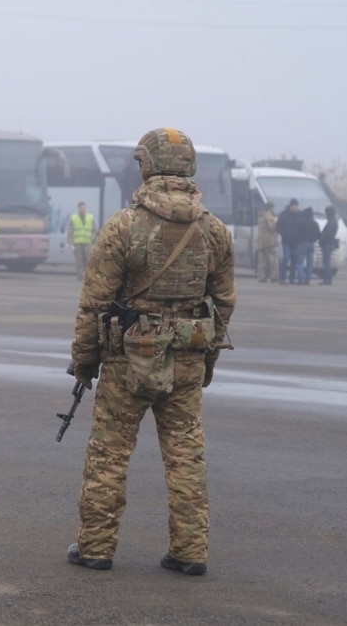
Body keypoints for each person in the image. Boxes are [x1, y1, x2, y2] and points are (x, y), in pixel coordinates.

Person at [67, 127, 236, 576]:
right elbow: (224, 304)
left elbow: (95, 303)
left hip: (128, 362)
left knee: (109, 456)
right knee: (186, 457)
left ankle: (96, 548)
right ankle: (190, 551)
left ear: (147, 166)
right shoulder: (214, 230)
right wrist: (207, 361)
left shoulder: (123, 226)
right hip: (186, 360)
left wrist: (84, 363)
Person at [275, 198, 302, 284]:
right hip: (286, 241)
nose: (295, 208)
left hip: (297, 241)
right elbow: (278, 227)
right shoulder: (283, 215)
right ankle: (282, 277)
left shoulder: (300, 215)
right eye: (294, 206)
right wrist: (284, 235)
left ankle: (292, 278)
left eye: (297, 206)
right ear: (290, 206)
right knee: (286, 258)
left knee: (294, 259)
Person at [69, 201, 96, 281]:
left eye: (84, 207)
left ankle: (87, 276)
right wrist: (71, 241)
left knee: (88, 260)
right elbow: (70, 231)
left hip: (88, 243)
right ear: (78, 208)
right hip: (77, 243)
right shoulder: (74, 218)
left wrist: (93, 240)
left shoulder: (90, 217)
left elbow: (94, 230)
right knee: (79, 260)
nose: (83, 209)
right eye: (82, 208)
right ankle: (80, 275)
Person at [295, 207, 320, 285]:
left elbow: (297, 233)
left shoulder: (301, 222)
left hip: (302, 244)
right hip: (311, 244)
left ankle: (301, 278)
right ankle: (308, 279)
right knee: (310, 263)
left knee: (299, 262)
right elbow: (318, 234)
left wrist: (297, 241)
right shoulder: (315, 223)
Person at [256, 201, 279, 283]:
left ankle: (261, 276)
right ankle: (274, 276)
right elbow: (273, 226)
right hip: (270, 241)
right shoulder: (269, 215)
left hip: (261, 241)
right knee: (273, 260)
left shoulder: (261, 215)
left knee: (262, 261)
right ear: (271, 208)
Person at [318, 205, 340, 285]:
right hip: (329, 243)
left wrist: (321, 240)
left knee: (326, 262)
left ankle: (327, 279)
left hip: (327, 243)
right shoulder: (333, 221)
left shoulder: (332, 222)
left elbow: (328, 234)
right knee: (326, 262)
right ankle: (327, 278)